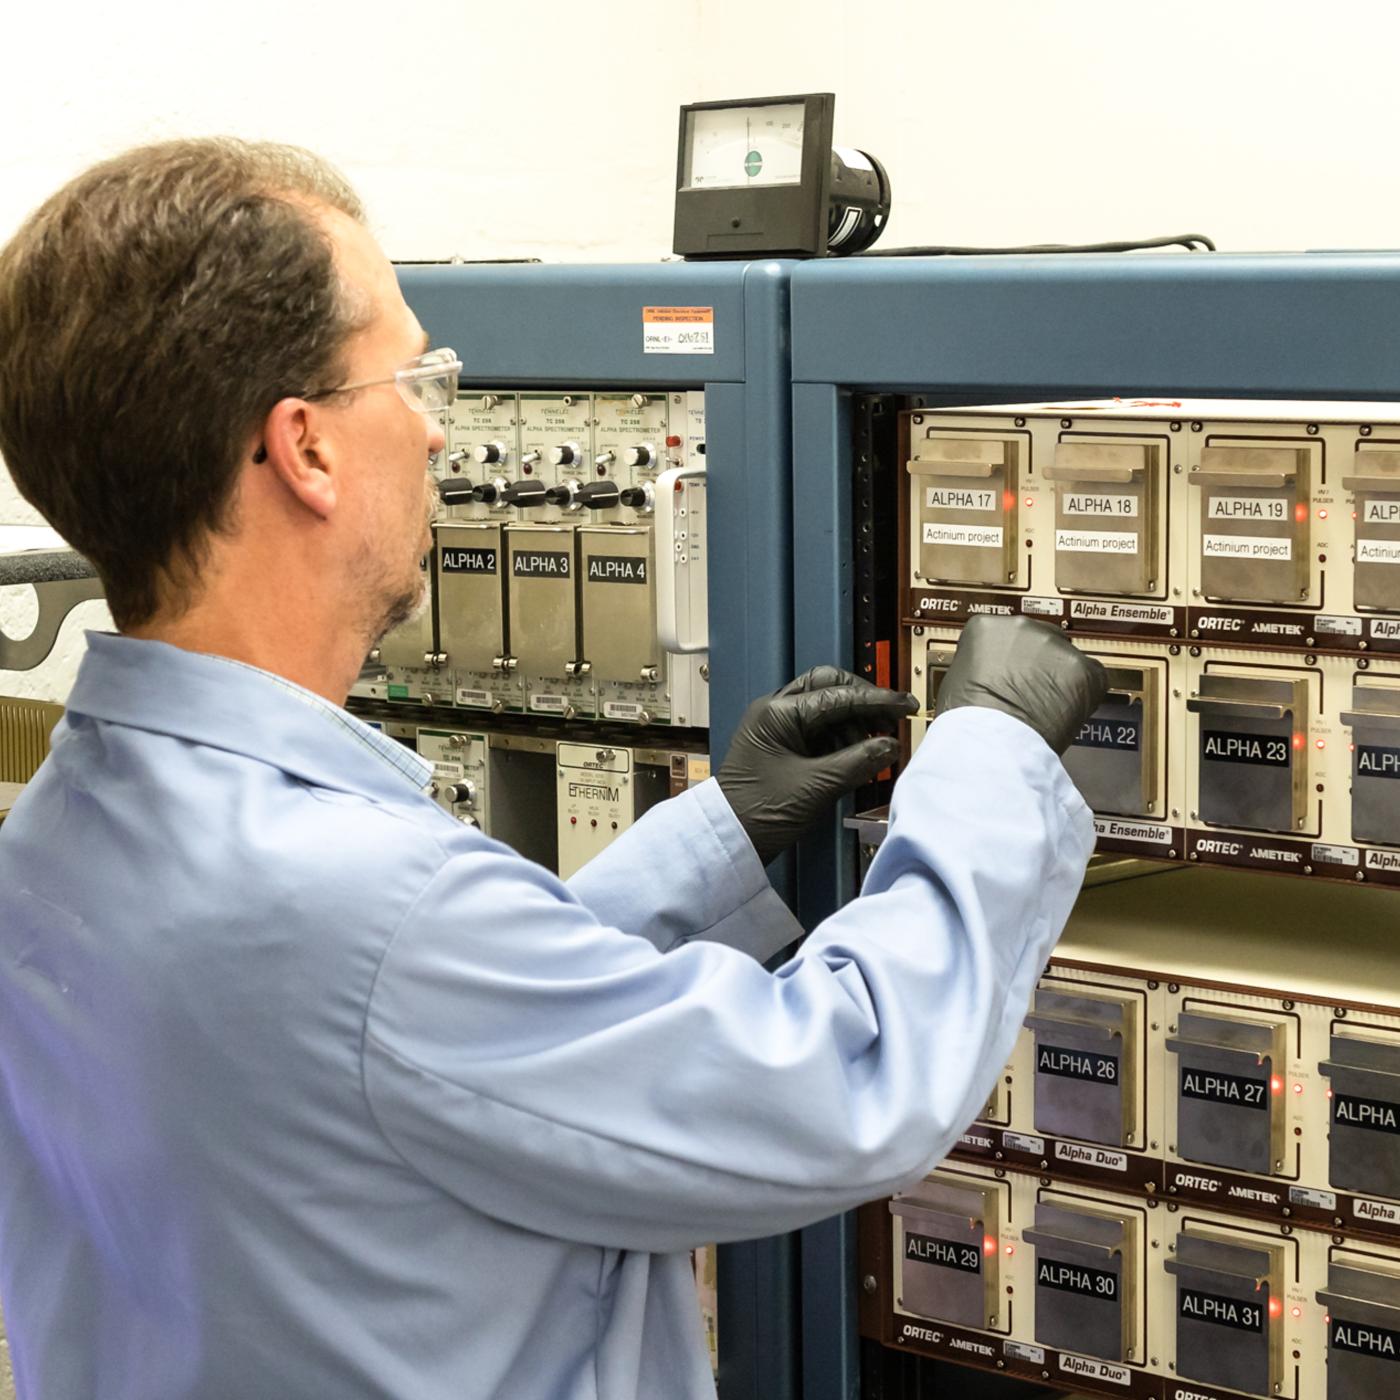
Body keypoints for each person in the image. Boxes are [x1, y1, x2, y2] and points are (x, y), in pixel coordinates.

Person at [0, 139, 1105, 1400]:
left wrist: (720, 832)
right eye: (410, 378)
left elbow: (419, 1041)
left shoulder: (53, 844)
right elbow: (842, 1081)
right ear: (302, 448)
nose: (432, 427)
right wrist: (989, 758)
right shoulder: (368, 915)